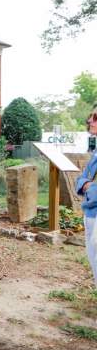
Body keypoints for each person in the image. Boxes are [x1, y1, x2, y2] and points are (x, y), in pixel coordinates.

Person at [75, 106, 97, 287]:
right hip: (90, 213)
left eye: (95, 118)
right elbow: (81, 179)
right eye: (90, 117)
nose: (90, 121)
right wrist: (86, 184)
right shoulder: (95, 152)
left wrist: (89, 187)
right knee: (94, 262)